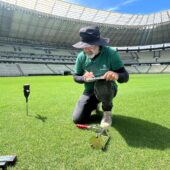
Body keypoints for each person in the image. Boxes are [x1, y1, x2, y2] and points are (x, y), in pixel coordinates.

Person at [72, 26, 129, 129]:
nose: (86, 49)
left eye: (89, 45)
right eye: (84, 46)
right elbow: (76, 76)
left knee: (102, 84)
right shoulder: (81, 56)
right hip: (89, 90)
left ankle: (107, 112)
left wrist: (116, 75)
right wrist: (83, 78)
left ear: (98, 43)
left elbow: (125, 76)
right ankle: (94, 104)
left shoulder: (111, 53)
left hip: (108, 88)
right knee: (78, 119)